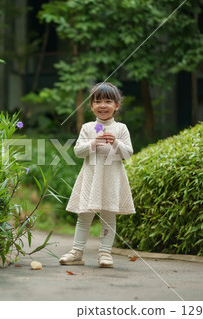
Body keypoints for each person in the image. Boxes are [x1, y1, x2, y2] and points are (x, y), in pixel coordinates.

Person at [61, 82, 136, 268]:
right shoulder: (87, 128)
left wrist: (116, 143)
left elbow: (128, 154)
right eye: (98, 101)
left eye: (108, 101)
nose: (103, 105)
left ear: (117, 105)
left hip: (112, 178)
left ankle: (105, 253)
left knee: (109, 216)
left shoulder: (121, 128)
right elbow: (78, 151)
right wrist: (93, 143)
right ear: (91, 105)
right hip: (90, 177)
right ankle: (77, 252)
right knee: (84, 215)